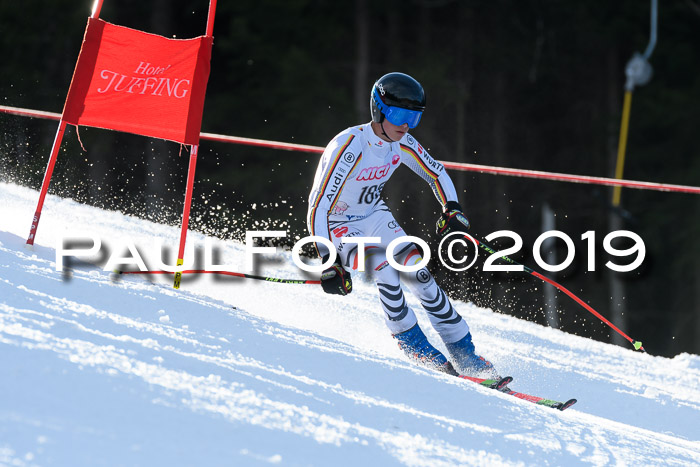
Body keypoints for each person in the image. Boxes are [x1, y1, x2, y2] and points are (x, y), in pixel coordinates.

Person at [307, 72, 497, 379]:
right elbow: (318, 208)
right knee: (384, 266)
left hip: (375, 217)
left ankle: (466, 353)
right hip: (338, 225)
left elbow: (435, 173)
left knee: (418, 274)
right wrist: (329, 262)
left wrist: (452, 208)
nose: (405, 124)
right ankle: (415, 346)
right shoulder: (350, 146)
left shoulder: (402, 142)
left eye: (414, 117)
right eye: (398, 114)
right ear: (378, 110)